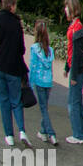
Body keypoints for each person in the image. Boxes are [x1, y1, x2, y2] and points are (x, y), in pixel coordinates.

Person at [0, 0, 30, 147]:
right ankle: (21, 130)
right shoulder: (16, 22)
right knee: (16, 100)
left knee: (4, 101)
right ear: (13, 5)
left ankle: (9, 136)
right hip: (13, 68)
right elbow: (21, 49)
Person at [63, 0, 83, 144]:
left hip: (78, 71)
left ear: (72, 8)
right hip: (77, 69)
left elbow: (76, 54)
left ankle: (78, 135)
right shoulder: (76, 26)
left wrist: (72, 73)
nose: (65, 10)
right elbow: (73, 52)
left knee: (72, 102)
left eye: (67, 7)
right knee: (77, 101)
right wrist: (67, 67)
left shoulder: (77, 28)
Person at [29, 19, 58, 147]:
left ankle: (51, 133)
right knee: (44, 107)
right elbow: (50, 67)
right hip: (48, 82)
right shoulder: (50, 50)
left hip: (39, 82)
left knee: (43, 109)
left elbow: (33, 66)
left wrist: (30, 83)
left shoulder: (34, 48)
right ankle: (43, 132)